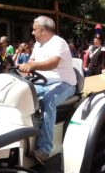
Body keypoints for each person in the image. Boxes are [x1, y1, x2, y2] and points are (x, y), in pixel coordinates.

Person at [18, 16, 76, 165]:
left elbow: (52, 64)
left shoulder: (59, 42)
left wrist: (32, 66)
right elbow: (32, 61)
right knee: (21, 93)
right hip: (43, 82)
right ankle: (22, 136)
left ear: (43, 30)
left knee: (48, 100)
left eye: (34, 29)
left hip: (64, 83)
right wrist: (24, 69)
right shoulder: (38, 44)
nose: (32, 32)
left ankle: (44, 149)